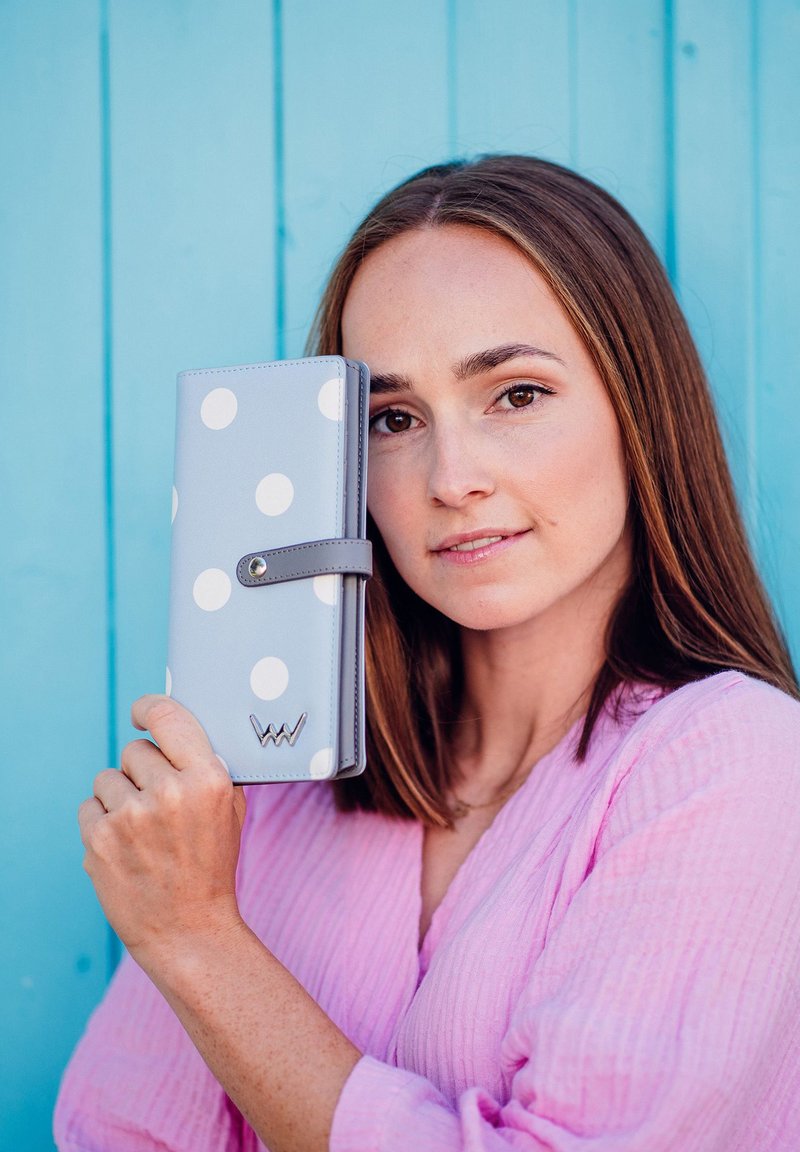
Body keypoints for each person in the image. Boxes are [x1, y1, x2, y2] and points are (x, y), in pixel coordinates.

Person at [55, 156, 800, 1152]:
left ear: (639, 410)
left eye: (515, 394)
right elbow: (118, 1134)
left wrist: (197, 940)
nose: (452, 479)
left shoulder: (740, 765)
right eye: (393, 420)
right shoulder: (275, 796)